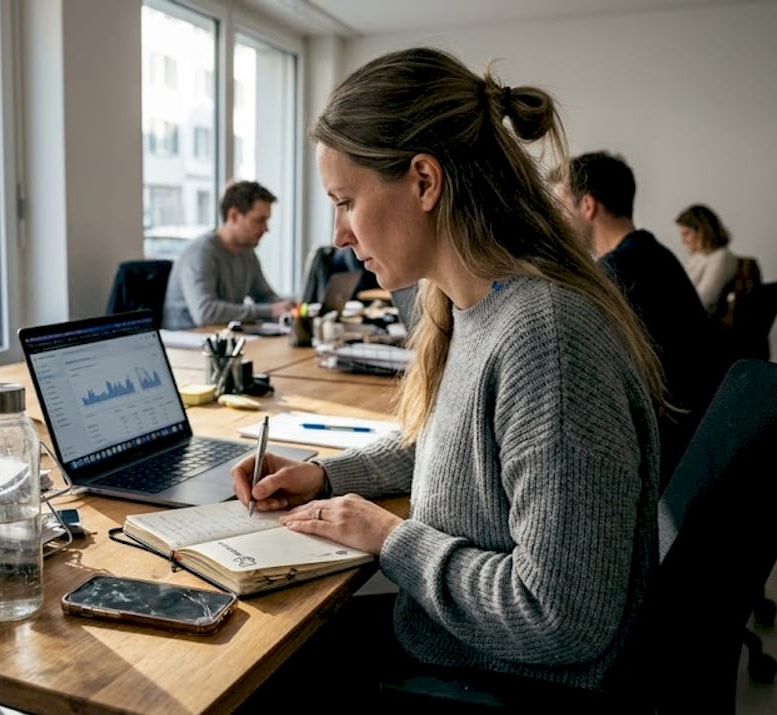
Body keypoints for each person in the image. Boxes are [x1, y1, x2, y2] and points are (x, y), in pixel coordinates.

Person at [231, 47, 663, 710]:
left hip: (505, 680)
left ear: (425, 182)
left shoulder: (546, 341)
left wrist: (389, 538)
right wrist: (325, 476)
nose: (340, 233)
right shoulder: (467, 304)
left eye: (346, 201)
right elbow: (455, 444)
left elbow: (560, 617)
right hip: (454, 646)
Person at [555, 151, 719, 482]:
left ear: (588, 206)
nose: (555, 221)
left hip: (662, 449)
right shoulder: (653, 254)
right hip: (695, 438)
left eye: (560, 208)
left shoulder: (616, 274)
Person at [161, 180, 297, 329]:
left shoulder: (247, 253)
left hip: (222, 338)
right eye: (259, 220)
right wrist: (270, 311)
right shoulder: (200, 253)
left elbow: (264, 296)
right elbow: (205, 313)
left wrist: (290, 307)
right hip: (186, 343)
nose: (266, 228)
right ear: (233, 216)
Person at [676, 204, 739, 315]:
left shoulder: (722, 257)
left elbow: (704, 301)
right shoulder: (696, 258)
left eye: (686, 234)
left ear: (702, 231)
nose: (683, 241)